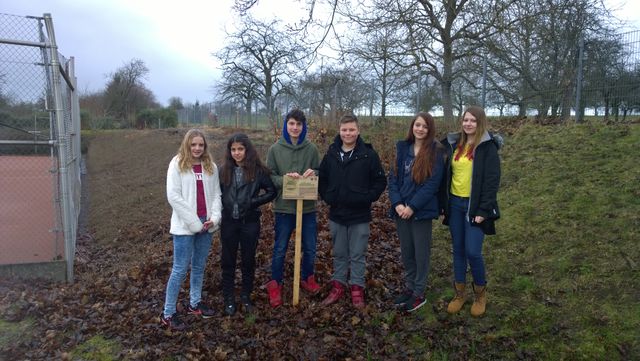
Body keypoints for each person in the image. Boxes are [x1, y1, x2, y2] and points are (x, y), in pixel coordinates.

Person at [318, 115, 387, 309]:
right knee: (339, 253)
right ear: (339, 131)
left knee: (357, 254)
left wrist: (367, 197)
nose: (348, 133)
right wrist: (327, 196)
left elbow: (380, 181)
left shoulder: (368, 155)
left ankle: (357, 287)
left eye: (351, 130)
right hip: (337, 214)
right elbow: (322, 178)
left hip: (359, 215)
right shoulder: (331, 153)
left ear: (358, 131)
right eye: (344, 130)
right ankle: (338, 285)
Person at [440, 105, 501, 317]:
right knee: (458, 250)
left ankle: (480, 294)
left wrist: (484, 209)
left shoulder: (487, 147)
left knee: (473, 251)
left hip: (475, 208)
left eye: (473, 121)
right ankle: (459, 294)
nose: (468, 124)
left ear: (480, 122)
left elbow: (492, 182)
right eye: (466, 120)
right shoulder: (454, 144)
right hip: (455, 205)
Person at [162, 129, 222, 331]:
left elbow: (216, 195)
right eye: (193, 144)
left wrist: (214, 219)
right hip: (185, 226)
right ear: (187, 145)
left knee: (199, 266)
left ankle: (194, 304)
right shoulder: (177, 164)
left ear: (205, 147)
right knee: (179, 269)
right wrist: (195, 223)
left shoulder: (210, 166)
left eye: (201, 145)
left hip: (207, 225)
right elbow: (174, 196)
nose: (197, 148)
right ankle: (168, 313)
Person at [388, 112, 445, 312]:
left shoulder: (436, 152)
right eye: (417, 125)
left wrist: (412, 206)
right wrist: (397, 204)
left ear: (429, 130)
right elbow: (393, 178)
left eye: (424, 126)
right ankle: (410, 287)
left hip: (420, 212)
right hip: (400, 210)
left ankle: (419, 292)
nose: (420, 129)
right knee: (407, 251)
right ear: (412, 126)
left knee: (421, 252)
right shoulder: (402, 148)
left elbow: (432, 184)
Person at [265, 108, 321, 308]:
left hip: (307, 208)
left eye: (298, 124)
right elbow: (269, 176)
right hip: (284, 208)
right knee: (280, 248)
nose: (295, 128)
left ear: (303, 126)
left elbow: (320, 172)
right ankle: (276, 283)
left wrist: (313, 172)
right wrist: (285, 180)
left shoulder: (312, 149)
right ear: (285, 125)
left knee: (310, 247)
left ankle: (307, 277)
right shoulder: (275, 150)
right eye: (291, 124)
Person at [219, 133, 277, 316]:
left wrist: (252, 202)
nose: (237, 153)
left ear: (247, 150)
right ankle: (229, 297)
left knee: (248, 260)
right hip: (228, 222)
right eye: (233, 149)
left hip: (249, 223)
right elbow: (216, 193)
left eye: (240, 149)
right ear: (229, 151)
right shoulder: (223, 170)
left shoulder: (257, 171)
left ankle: (246, 295)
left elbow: (271, 191)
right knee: (228, 260)